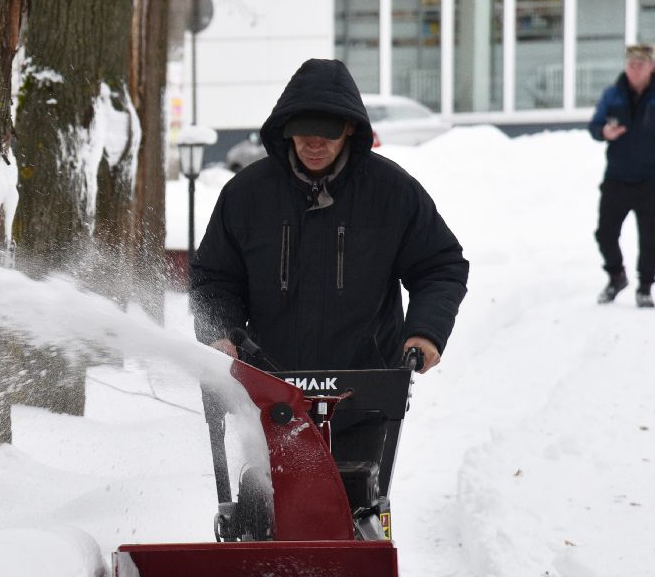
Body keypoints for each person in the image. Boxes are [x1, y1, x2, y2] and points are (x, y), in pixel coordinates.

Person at [189, 59, 468, 514]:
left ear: (351, 133)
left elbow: (440, 266)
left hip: (362, 392)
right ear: (284, 131)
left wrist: (425, 333)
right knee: (266, 508)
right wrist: (218, 332)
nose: (315, 145)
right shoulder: (247, 195)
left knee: (352, 504)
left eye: (328, 134)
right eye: (304, 133)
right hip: (269, 395)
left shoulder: (391, 192)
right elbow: (214, 279)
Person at [588, 43, 655, 308]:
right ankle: (616, 276)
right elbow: (594, 124)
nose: (634, 70)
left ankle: (645, 286)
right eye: (630, 65)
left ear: (651, 66)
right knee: (605, 234)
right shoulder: (613, 94)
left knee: (650, 237)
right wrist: (603, 132)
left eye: (640, 65)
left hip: (651, 179)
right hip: (617, 178)